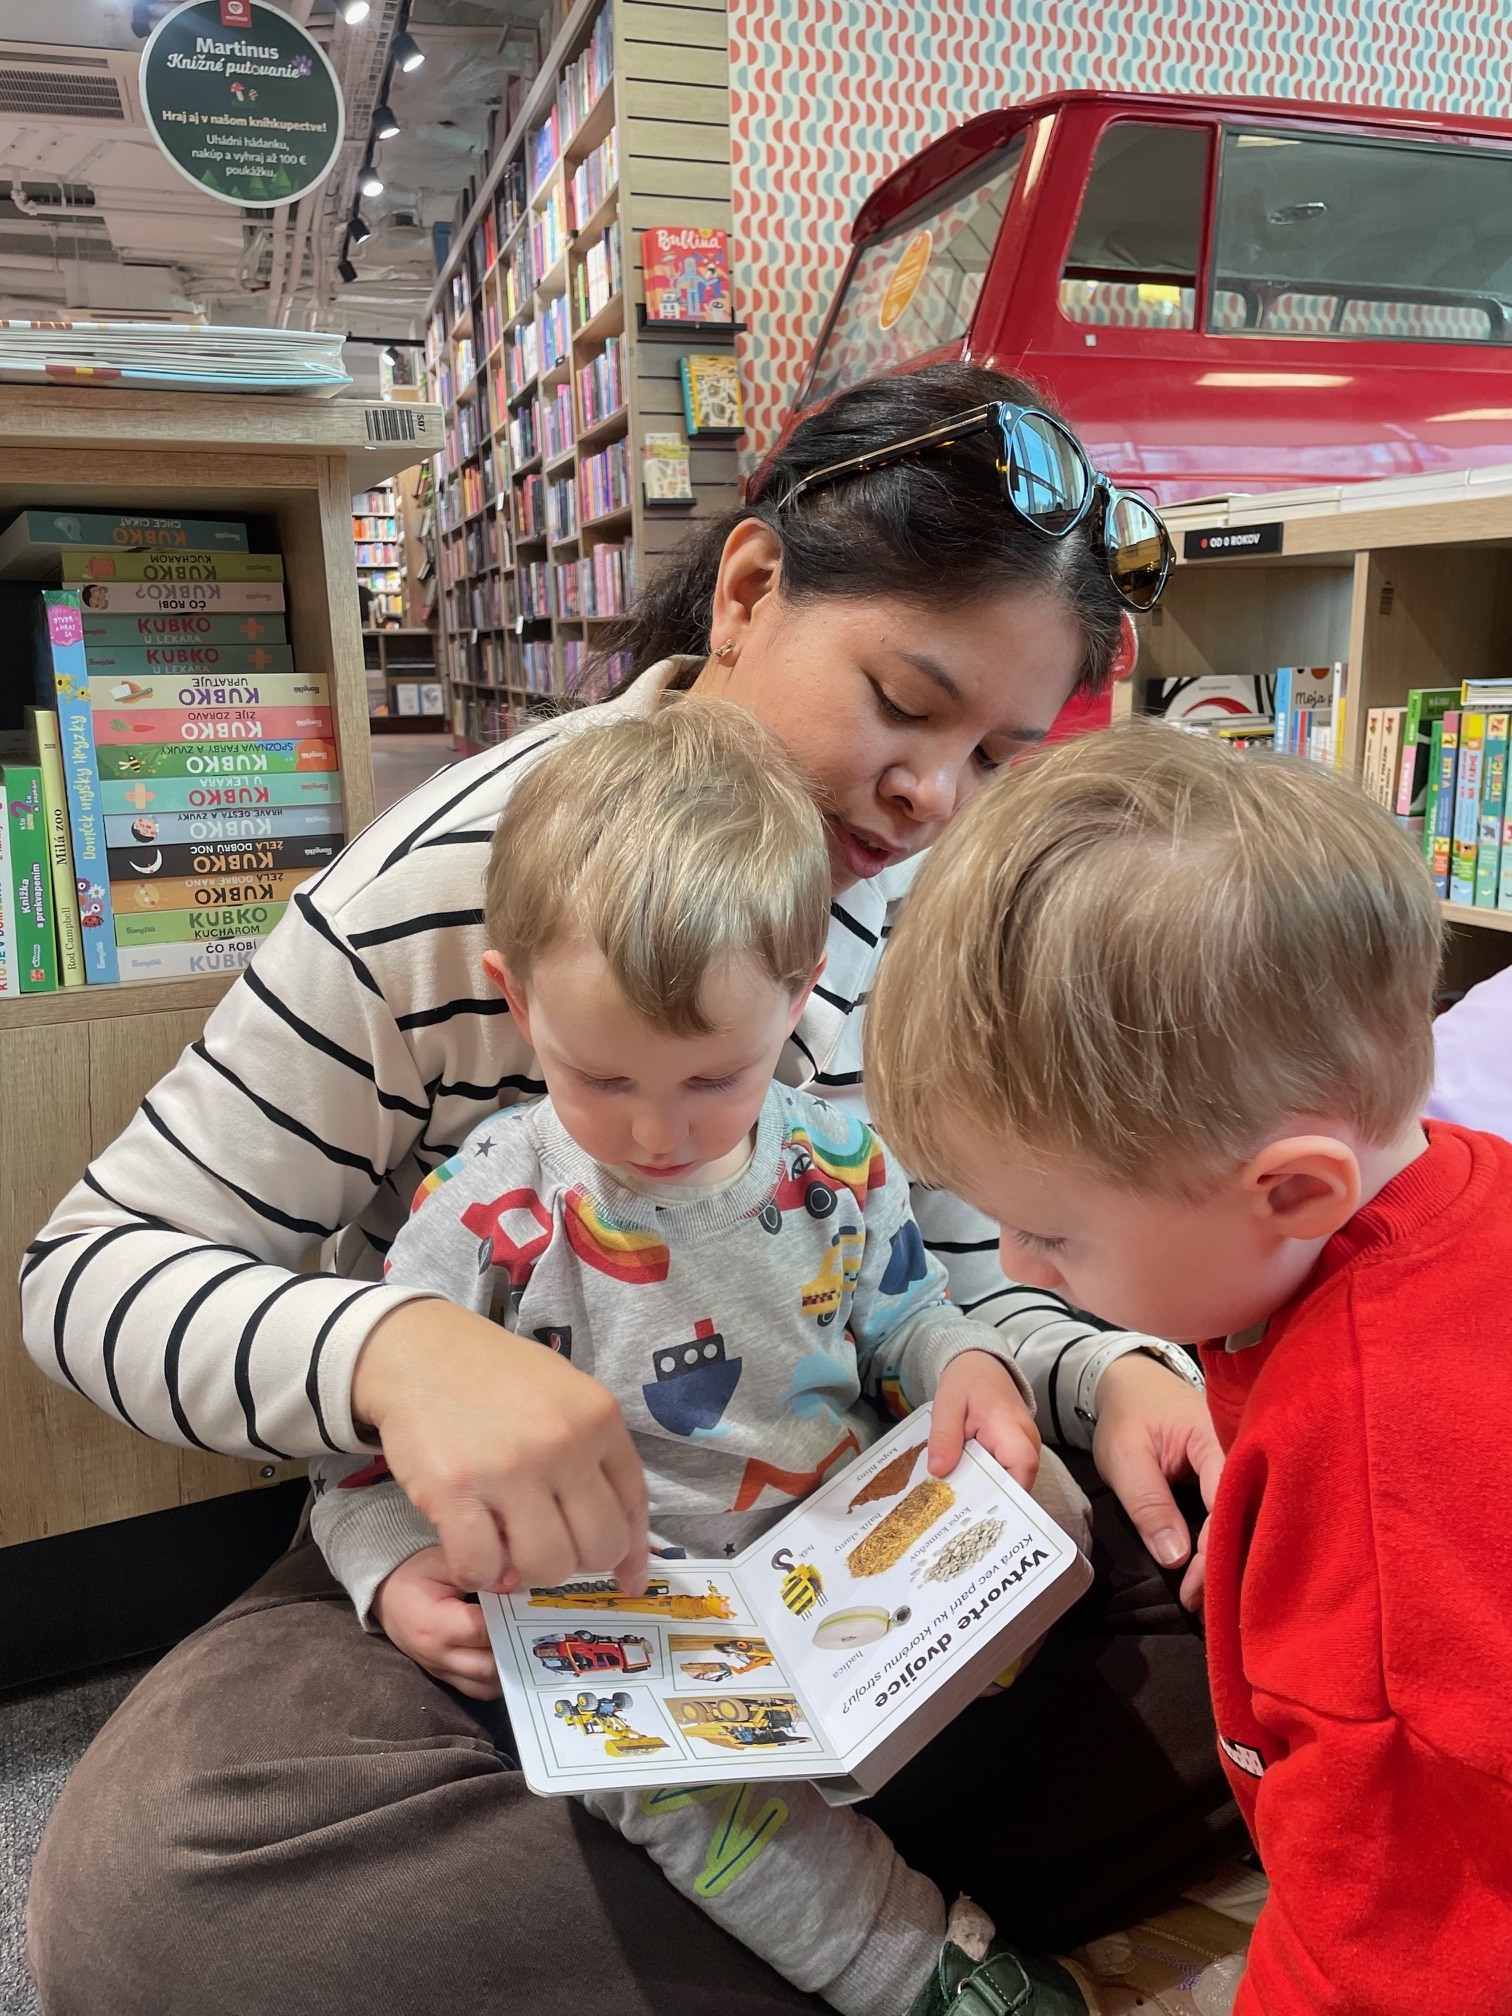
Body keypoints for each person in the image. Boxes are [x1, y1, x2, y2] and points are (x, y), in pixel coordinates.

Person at [23, 364, 1232, 2016]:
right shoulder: (466, 879)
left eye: (997, 755)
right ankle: (845, 1912)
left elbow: (956, 1284)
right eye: (903, 701)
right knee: (159, 1893)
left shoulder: (927, 895)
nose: (933, 797)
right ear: (748, 590)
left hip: (844, 1537)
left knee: (1290, 1560)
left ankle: (745, 1903)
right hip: (539, 1569)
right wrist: (398, 1357)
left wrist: (1103, 1374)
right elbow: (88, 1271)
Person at [315, 698, 1096, 2016]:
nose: (657, 1135)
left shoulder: (836, 1154)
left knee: (1053, 1502)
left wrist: (965, 1362)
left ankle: (902, 1755)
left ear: (800, 996)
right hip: (632, 1611)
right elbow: (358, 1444)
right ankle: (913, 1963)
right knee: (683, 1795)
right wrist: (390, 1569)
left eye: (713, 1080)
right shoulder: (492, 1207)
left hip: (838, 1560)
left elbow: (905, 1314)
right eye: (604, 1080)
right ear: (516, 999)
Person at [865, 722, 1512, 2015]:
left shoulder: (1377, 1542)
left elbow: (1384, 1950)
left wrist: (1333, 1601)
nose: (1016, 1265)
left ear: (1292, 1190)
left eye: (1053, 1234)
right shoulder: (1432, 1191)